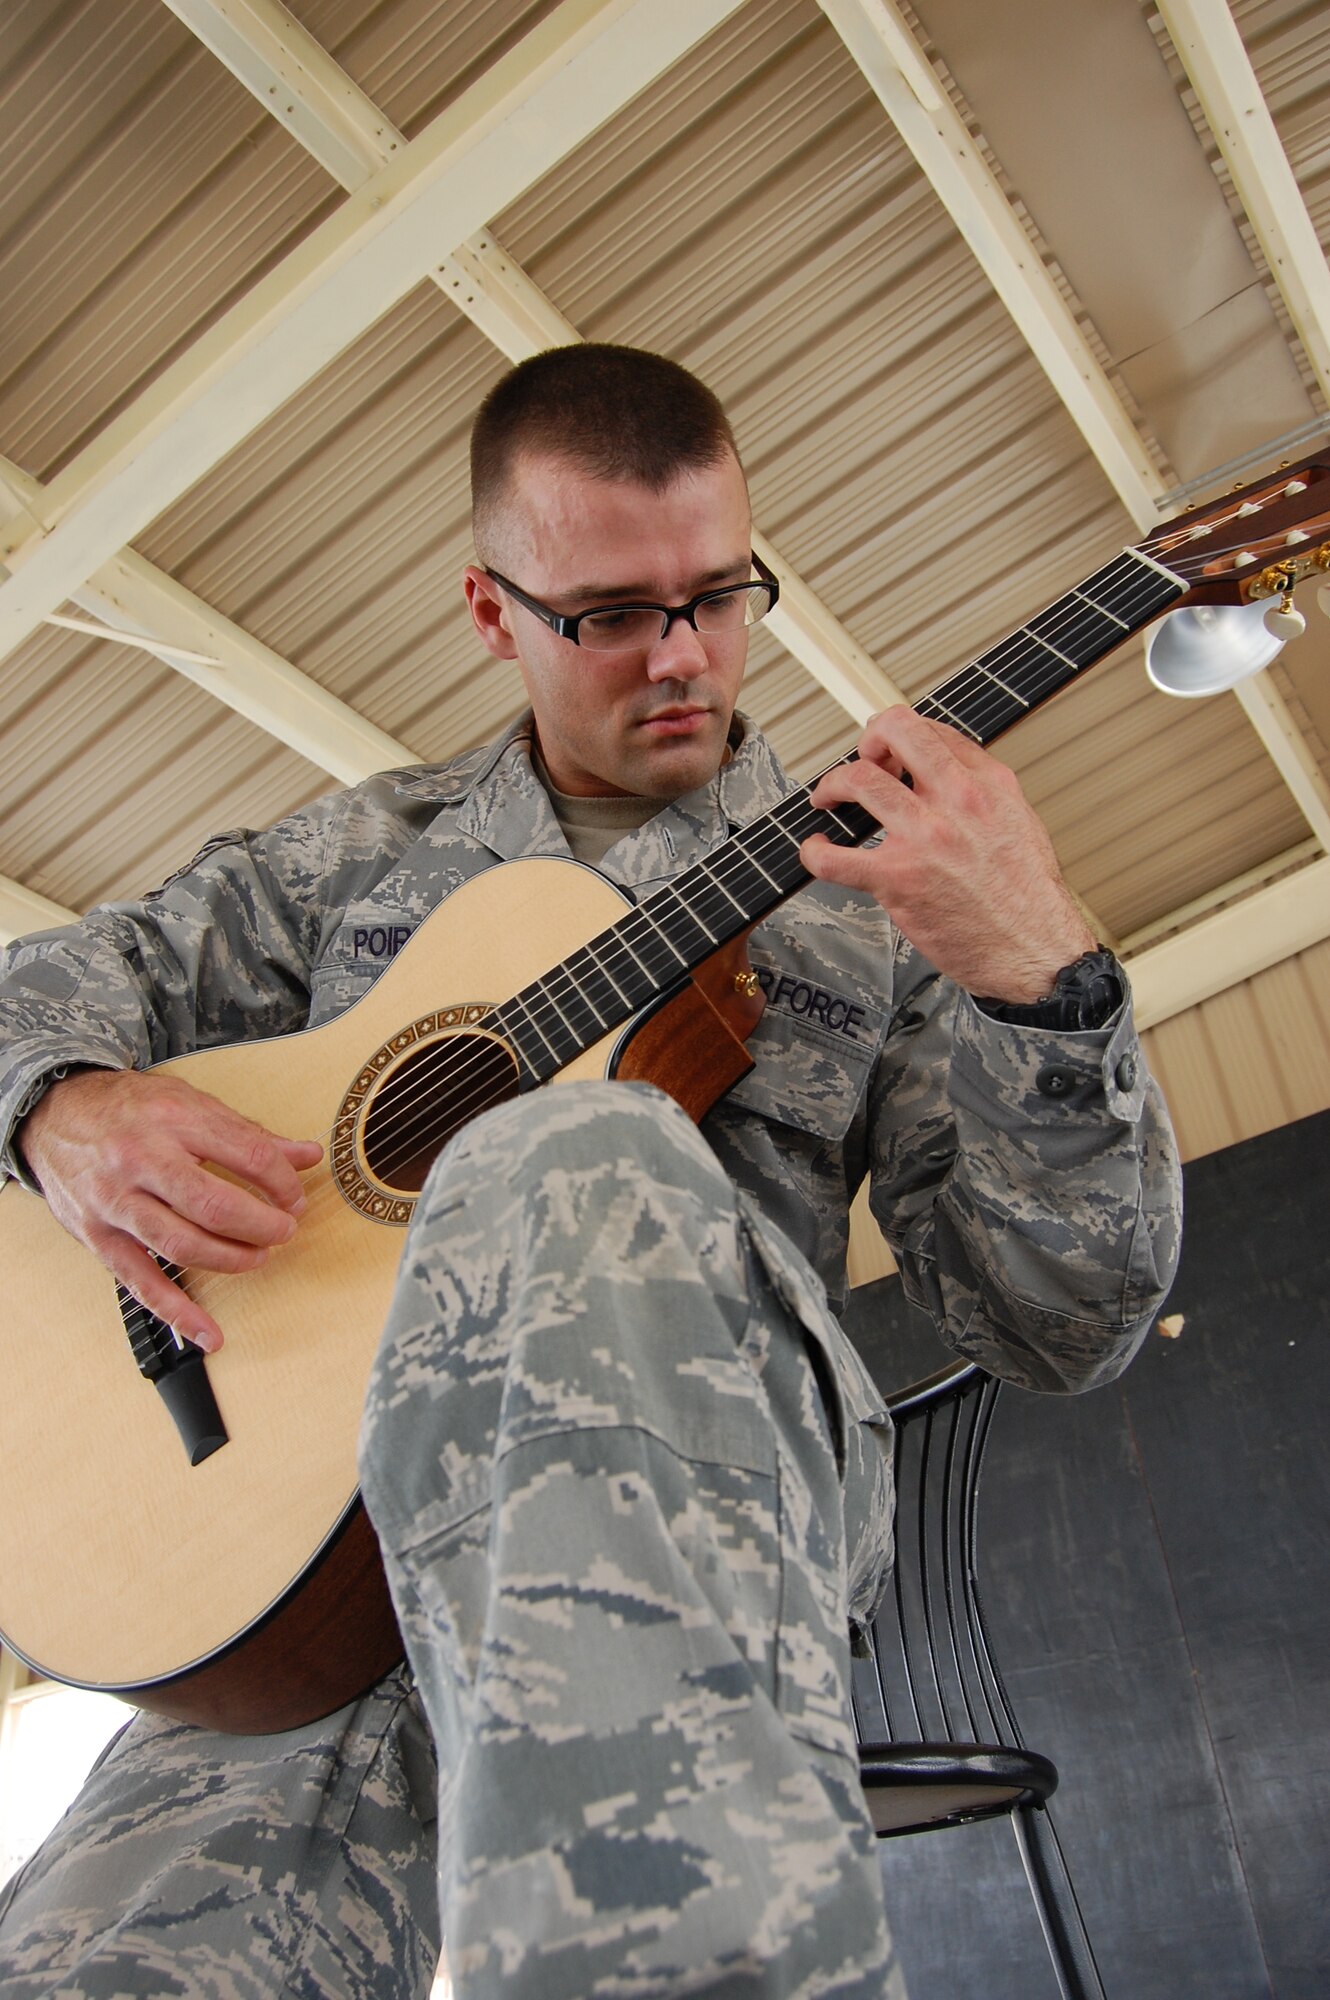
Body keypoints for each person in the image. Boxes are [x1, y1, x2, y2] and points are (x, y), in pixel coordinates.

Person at [0, 344, 1181, 1999]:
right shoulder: (354, 860)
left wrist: (1041, 977)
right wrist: (59, 1107)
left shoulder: (891, 896)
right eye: (611, 614)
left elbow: (1069, 1325)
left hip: (679, 1520)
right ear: (493, 612)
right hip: (288, 1559)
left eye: (719, 593)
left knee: (568, 1150)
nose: (685, 656)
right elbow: (47, 986)